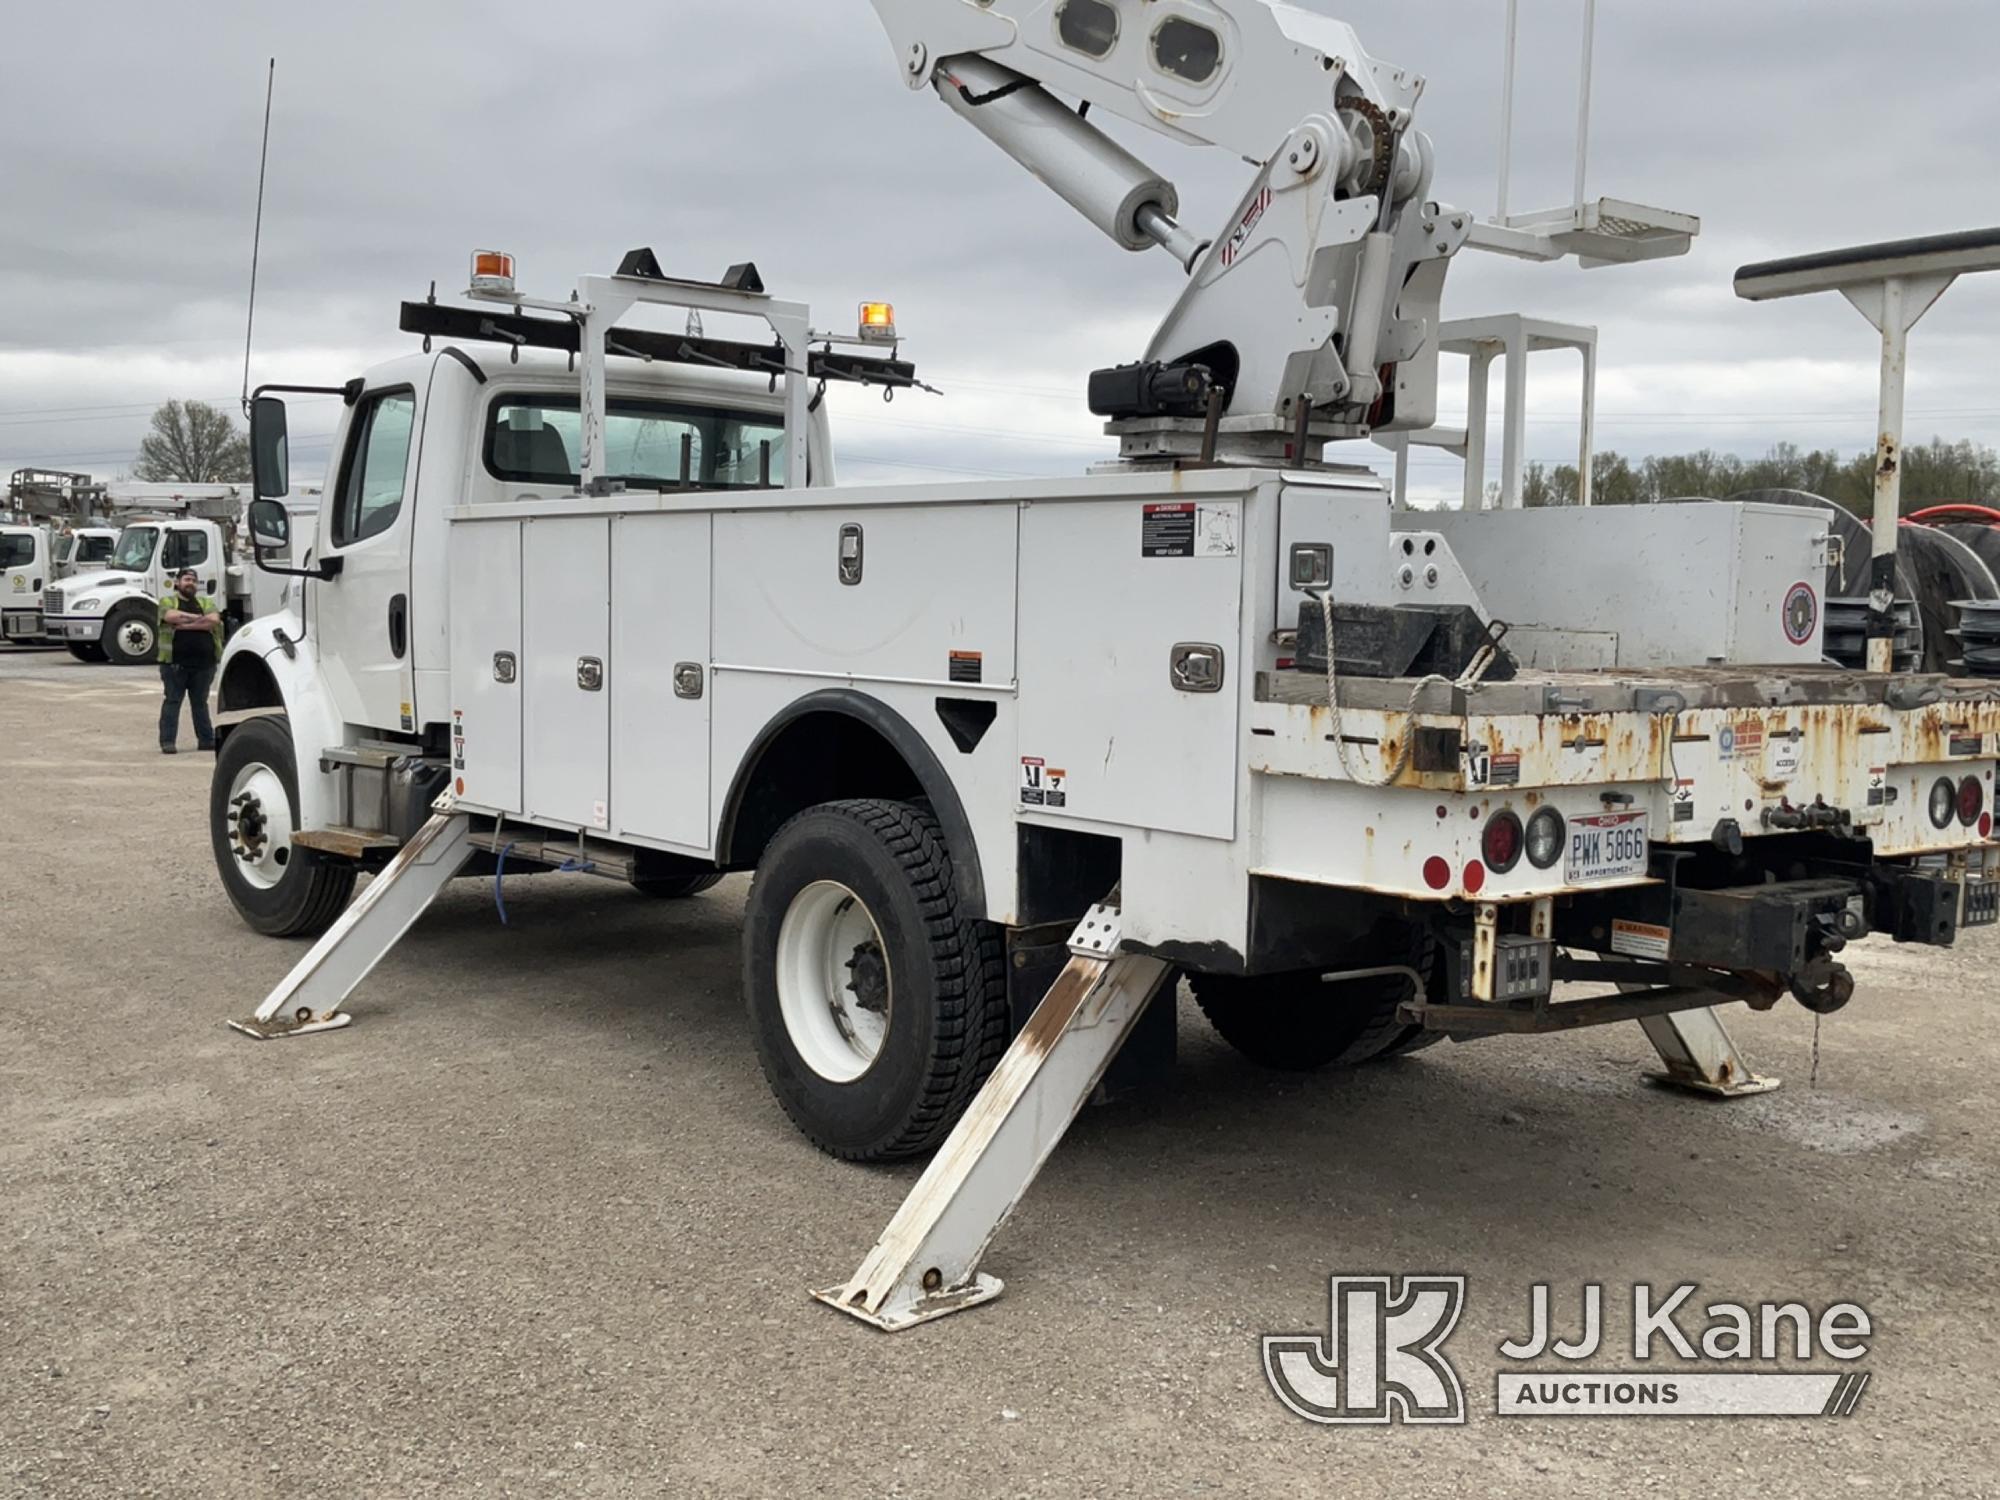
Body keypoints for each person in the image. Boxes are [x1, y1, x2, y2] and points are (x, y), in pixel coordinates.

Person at [158, 567, 222, 754]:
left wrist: (184, 625)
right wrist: (200, 621)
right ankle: (168, 742)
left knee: (200, 703)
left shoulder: (205, 602)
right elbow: (170, 616)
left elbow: (213, 620)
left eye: (193, 580)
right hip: (174, 664)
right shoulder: (167, 601)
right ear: (177, 583)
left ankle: (206, 740)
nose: (190, 583)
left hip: (204, 664)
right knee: (172, 701)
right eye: (186, 579)